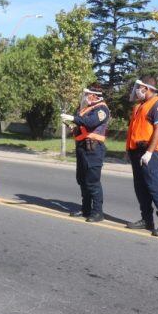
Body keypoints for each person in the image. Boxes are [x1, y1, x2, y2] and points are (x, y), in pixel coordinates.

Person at [125, 76, 158, 236]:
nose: (137, 91)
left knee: (155, 187)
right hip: (136, 152)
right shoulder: (140, 106)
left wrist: (149, 152)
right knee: (141, 188)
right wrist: (129, 150)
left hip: (150, 152)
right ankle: (146, 220)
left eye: (140, 88)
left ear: (147, 88)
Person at [62, 86, 110, 222]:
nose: (86, 96)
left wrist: (73, 117)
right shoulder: (85, 109)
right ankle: (86, 209)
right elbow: (82, 126)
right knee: (82, 180)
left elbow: (91, 122)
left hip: (93, 149)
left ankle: (97, 212)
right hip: (82, 147)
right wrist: (72, 125)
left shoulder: (102, 109)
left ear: (95, 96)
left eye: (88, 94)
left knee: (92, 181)